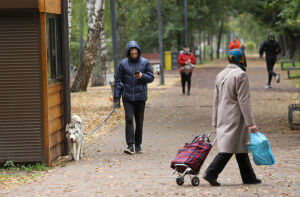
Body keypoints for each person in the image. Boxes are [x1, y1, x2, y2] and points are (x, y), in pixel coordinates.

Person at [203, 48, 262, 186]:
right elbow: (244, 101)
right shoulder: (241, 75)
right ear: (241, 59)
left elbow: (215, 100)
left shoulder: (221, 74)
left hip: (223, 115)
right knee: (228, 148)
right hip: (236, 116)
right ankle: (211, 172)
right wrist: (251, 123)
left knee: (240, 147)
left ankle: (249, 177)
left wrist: (214, 121)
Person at [114, 40, 154, 154]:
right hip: (127, 97)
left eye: (135, 53)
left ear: (138, 52)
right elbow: (119, 81)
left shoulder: (145, 62)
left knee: (139, 121)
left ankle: (138, 145)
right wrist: (116, 98)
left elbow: (151, 78)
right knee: (129, 119)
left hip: (140, 97)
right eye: (132, 54)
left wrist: (142, 76)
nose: (134, 55)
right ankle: (130, 145)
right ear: (128, 53)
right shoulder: (123, 64)